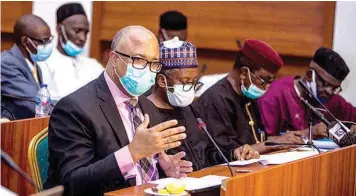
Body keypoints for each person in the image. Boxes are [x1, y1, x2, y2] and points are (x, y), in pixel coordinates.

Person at [44, 26, 192, 196]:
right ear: (114, 59)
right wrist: (132, 153)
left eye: (154, 63)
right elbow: (73, 182)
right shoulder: (74, 108)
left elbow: (144, 171)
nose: (147, 69)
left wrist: (165, 169)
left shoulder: (147, 105)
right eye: (139, 60)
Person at [148, 37, 259, 170]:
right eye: (185, 81)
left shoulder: (190, 108)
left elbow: (209, 154)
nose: (190, 87)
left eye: (194, 81)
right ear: (161, 81)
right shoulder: (144, 112)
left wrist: (233, 154)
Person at [198, 39, 286, 158]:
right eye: (264, 80)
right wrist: (272, 144)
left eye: (271, 81)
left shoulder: (247, 92)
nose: (266, 86)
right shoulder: (215, 100)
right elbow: (225, 153)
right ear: (244, 73)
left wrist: (285, 140)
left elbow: (257, 139)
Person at [258, 47, 356, 139]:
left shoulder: (332, 99)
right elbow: (264, 141)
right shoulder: (275, 95)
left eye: (335, 88)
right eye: (326, 84)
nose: (329, 91)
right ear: (309, 75)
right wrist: (309, 133)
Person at [38, 3, 103, 103]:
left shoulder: (94, 66)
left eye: (86, 33)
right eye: (77, 31)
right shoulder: (44, 63)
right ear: (59, 29)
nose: (83, 38)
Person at [1, 14, 53, 120]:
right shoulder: (7, 63)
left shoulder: (35, 66)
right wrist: (69, 109)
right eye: (44, 41)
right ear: (25, 41)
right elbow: (37, 103)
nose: (48, 45)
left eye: (49, 40)